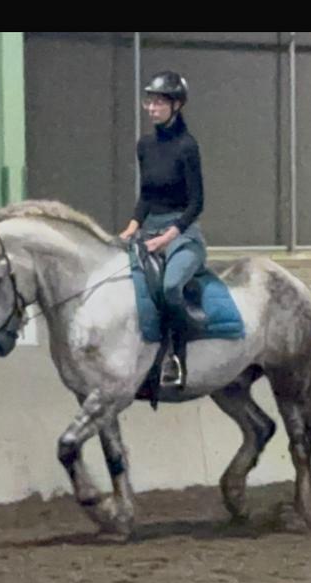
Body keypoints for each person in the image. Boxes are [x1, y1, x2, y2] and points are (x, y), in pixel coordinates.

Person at [119, 70, 207, 389]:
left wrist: (169, 236)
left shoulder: (187, 146)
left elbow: (197, 202)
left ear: (176, 105)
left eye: (159, 103)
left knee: (170, 287)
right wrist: (130, 228)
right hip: (149, 229)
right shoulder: (145, 145)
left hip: (182, 233)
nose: (152, 108)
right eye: (150, 102)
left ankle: (177, 360)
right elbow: (146, 196)